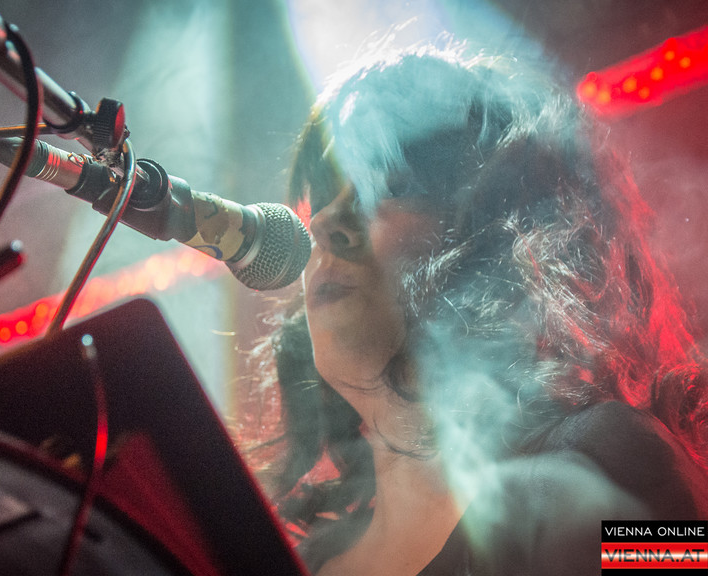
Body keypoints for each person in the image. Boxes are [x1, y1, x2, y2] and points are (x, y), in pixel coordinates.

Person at [241, 42, 708, 576]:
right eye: (320, 201)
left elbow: (686, 561)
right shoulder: (296, 559)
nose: (325, 223)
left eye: (390, 188)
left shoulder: (607, 458)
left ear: (499, 245)